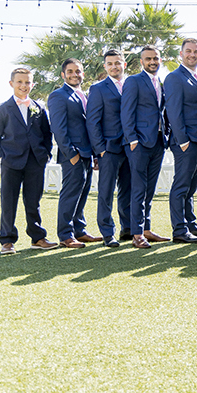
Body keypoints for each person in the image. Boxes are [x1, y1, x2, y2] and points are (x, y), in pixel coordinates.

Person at [0, 67, 57, 254]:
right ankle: (7, 241)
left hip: (35, 161)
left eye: (27, 82)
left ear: (32, 84)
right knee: (8, 202)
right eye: (20, 82)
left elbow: (46, 134)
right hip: (11, 162)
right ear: (11, 84)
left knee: (33, 201)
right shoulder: (2, 109)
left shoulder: (39, 107)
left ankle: (38, 237)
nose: (24, 85)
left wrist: (45, 155)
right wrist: (0, 158)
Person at [48, 58, 101, 248]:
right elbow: (58, 129)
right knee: (70, 194)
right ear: (63, 75)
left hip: (87, 153)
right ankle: (65, 235)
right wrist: (71, 154)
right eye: (70, 71)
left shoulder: (82, 95)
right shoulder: (58, 96)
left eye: (77, 71)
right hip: (73, 155)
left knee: (82, 193)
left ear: (82, 74)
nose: (74, 74)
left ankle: (80, 231)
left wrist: (94, 154)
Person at [121, 46, 170, 249]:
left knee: (149, 189)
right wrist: (132, 139)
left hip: (158, 141)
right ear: (141, 61)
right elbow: (127, 111)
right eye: (148, 58)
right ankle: (137, 233)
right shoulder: (133, 81)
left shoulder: (160, 82)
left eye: (156, 58)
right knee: (138, 189)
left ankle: (146, 228)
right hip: (139, 143)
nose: (152, 61)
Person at [165, 38, 197, 243]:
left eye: (196, 51)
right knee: (181, 186)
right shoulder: (175, 77)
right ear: (181, 54)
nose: (193, 54)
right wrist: (183, 140)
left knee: (191, 187)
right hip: (186, 141)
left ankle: (190, 223)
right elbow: (174, 111)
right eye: (189, 51)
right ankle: (179, 230)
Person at [86, 50, 133, 247]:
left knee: (128, 190)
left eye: (117, 63)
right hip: (109, 149)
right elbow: (92, 121)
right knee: (106, 192)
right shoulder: (98, 89)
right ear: (105, 66)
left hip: (130, 147)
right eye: (110, 63)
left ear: (124, 64)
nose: (114, 66)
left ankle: (128, 228)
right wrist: (100, 150)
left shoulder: (132, 85)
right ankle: (107, 232)